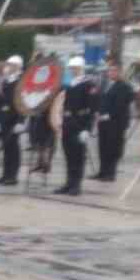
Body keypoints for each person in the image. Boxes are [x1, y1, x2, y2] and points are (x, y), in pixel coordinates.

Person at [54, 56, 97, 196]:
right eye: (71, 68)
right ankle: (69, 182)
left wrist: (87, 129)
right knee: (68, 155)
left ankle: (76, 185)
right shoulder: (70, 84)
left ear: (81, 68)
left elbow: (91, 109)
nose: (73, 70)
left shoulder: (88, 84)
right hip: (68, 124)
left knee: (78, 156)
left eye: (75, 68)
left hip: (80, 124)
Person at [93, 62, 134, 182]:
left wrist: (108, 115)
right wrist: (98, 113)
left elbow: (121, 105)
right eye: (110, 71)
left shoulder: (124, 86)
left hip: (116, 123)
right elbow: (101, 100)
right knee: (102, 146)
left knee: (113, 148)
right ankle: (102, 171)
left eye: (114, 71)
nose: (111, 73)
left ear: (120, 72)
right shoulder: (106, 84)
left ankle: (111, 173)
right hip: (103, 121)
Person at [0, 55, 23, 185]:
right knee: (6, 147)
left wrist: (21, 121)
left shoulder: (21, 80)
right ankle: (5, 174)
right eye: (9, 64)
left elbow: (24, 103)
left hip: (14, 119)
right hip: (4, 118)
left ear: (19, 66)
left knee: (13, 148)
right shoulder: (6, 80)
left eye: (13, 65)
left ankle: (13, 176)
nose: (10, 67)